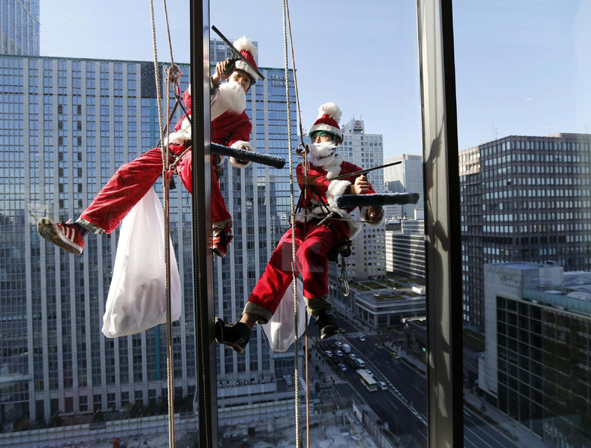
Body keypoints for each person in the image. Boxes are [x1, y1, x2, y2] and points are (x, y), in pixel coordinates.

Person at [37, 37, 259, 259]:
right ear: (229, 75)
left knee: (193, 165)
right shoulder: (212, 92)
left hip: (199, 152)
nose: (241, 83)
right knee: (128, 173)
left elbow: (238, 141)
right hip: (174, 145)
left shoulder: (241, 120)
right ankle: (79, 230)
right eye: (238, 76)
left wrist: (241, 149)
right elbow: (190, 101)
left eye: (246, 81)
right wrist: (213, 79)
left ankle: (220, 227)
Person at [215, 103, 385, 353]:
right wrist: (350, 189)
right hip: (303, 225)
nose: (317, 141)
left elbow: (368, 201)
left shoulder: (353, 171)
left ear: (336, 140)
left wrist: (372, 209)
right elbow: (317, 183)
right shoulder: (305, 167)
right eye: (314, 136)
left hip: (332, 225)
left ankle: (323, 315)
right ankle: (243, 328)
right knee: (277, 266)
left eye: (323, 136)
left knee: (309, 252)